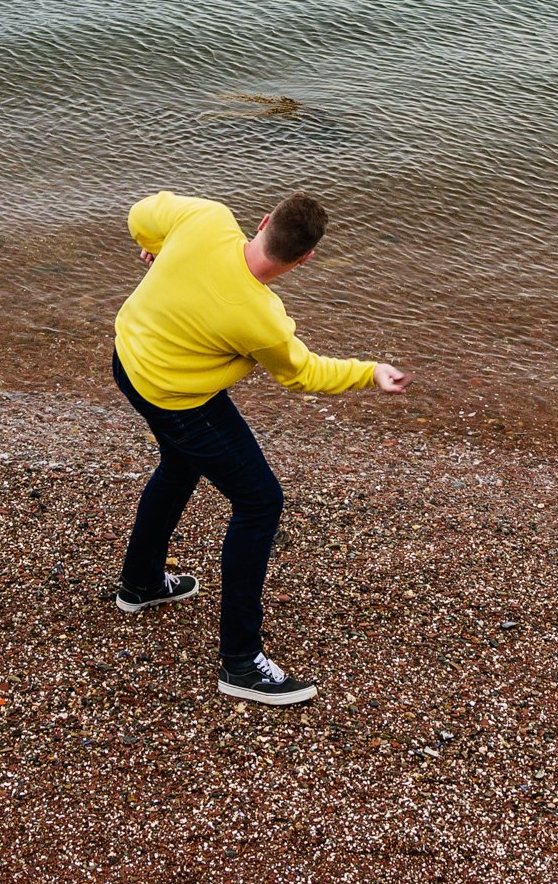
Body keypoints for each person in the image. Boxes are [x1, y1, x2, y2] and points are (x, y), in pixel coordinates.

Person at [111, 188, 408, 705]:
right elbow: (302, 373)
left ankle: (140, 584)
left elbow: (141, 214)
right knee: (260, 502)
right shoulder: (260, 316)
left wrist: (157, 243)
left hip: (129, 361)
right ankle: (241, 663)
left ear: (264, 219)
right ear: (305, 258)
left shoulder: (205, 219)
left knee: (180, 467)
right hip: (179, 399)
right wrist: (370, 372)